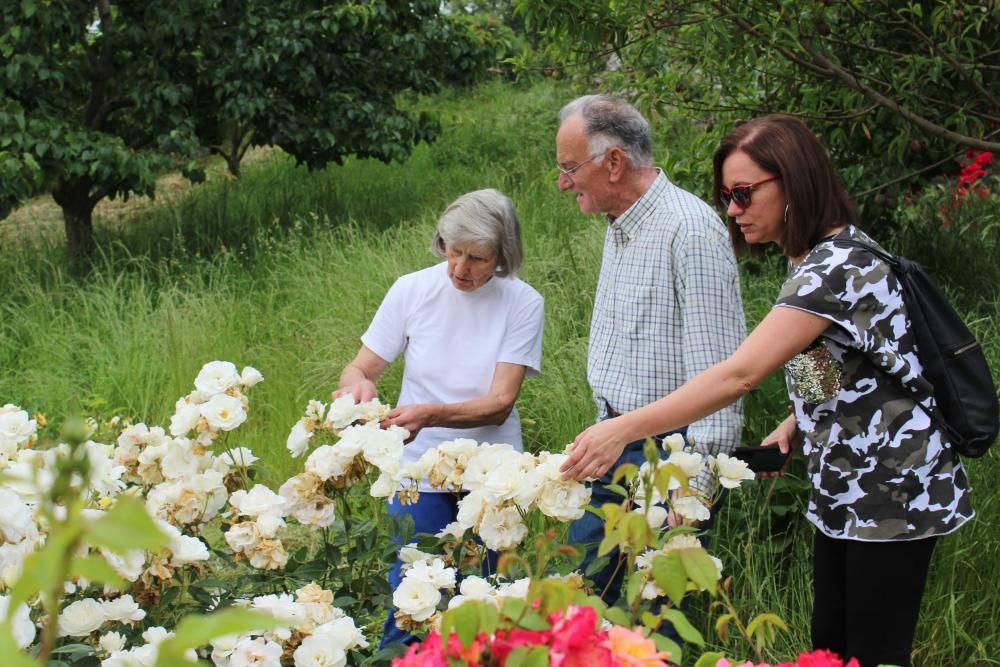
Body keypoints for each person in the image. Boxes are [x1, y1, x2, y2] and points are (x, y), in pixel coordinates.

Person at [562, 114, 974, 667]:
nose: (731, 209)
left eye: (742, 193)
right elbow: (844, 359)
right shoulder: (814, 256)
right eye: (725, 194)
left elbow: (739, 374)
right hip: (844, 486)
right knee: (829, 648)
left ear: (794, 181)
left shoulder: (835, 267)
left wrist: (624, 427)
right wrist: (797, 420)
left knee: (872, 653)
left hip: (891, 491)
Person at [555, 94, 746, 605]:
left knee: (653, 623)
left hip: (670, 459)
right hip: (613, 444)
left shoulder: (689, 229)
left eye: (570, 168)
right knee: (583, 608)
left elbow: (722, 376)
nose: (563, 182)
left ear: (613, 163)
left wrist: (692, 491)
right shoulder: (622, 224)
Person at [333, 188, 544, 647]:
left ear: (503, 255)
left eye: (478, 258)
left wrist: (430, 414)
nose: (460, 269)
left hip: (494, 475)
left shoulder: (523, 302)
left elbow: (500, 401)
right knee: (412, 602)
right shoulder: (412, 289)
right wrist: (358, 387)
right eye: (454, 252)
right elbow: (361, 367)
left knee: (489, 604)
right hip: (418, 472)